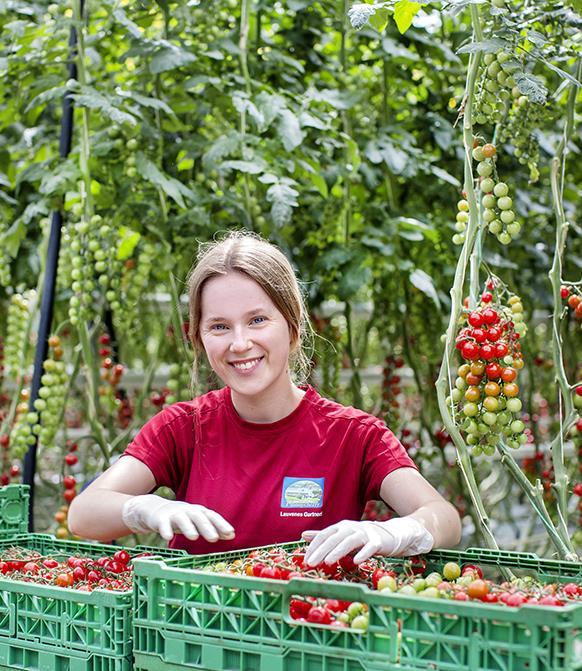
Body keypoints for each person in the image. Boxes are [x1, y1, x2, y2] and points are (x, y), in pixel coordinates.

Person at [68, 231, 461, 566]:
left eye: (258, 320)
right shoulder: (183, 429)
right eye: (219, 326)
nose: (240, 343)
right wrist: (146, 509)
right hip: (195, 636)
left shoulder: (353, 437)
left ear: (292, 328)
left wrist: (393, 532)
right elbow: (84, 514)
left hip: (311, 635)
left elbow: (443, 517)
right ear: (200, 339)